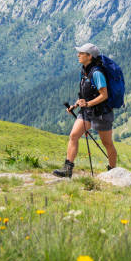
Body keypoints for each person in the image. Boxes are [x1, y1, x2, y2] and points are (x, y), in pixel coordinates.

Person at [53, 43, 118, 178]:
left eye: (81, 53)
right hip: (86, 112)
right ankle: (68, 169)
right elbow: (84, 94)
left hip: (101, 113)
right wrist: (76, 105)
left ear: (89, 56)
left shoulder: (97, 73)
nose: (78, 55)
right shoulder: (84, 71)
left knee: (107, 143)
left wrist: (87, 103)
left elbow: (104, 95)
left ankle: (112, 170)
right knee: (73, 136)